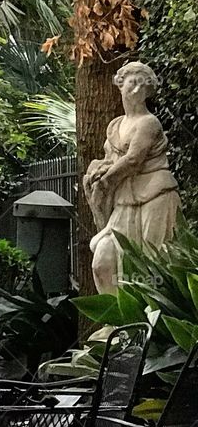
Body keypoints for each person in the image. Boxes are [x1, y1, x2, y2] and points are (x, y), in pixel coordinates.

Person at [83, 62, 180, 294]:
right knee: (103, 260)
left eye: (143, 87)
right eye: (132, 83)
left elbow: (133, 160)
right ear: (120, 84)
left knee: (152, 264)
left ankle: (150, 322)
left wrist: (105, 181)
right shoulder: (115, 125)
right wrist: (96, 171)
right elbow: (112, 158)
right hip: (124, 200)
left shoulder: (149, 123)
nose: (136, 91)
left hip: (155, 196)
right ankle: (116, 320)